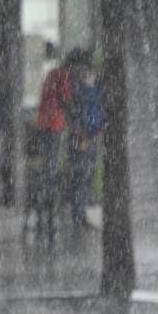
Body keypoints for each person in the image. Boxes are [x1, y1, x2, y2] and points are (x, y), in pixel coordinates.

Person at [33, 45, 88, 242]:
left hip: (42, 122)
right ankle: (49, 190)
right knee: (52, 165)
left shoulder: (51, 74)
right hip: (53, 124)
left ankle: (47, 187)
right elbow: (66, 101)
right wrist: (75, 117)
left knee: (48, 162)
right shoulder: (63, 76)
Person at [66, 50, 103, 229]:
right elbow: (73, 115)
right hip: (81, 138)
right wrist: (80, 134)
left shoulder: (94, 89)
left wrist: (96, 133)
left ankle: (81, 214)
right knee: (81, 177)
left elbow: (99, 113)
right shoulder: (77, 90)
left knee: (86, 178)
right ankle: (78, 215)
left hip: (91, 136)